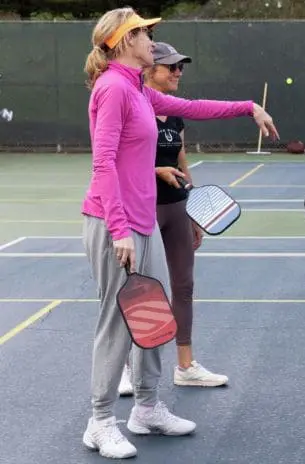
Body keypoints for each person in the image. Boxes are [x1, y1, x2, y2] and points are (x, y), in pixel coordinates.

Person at [81, 7, 278, 459]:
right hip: (115, 222)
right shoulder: (112, 88)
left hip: (142, 219)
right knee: (118, 321)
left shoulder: (137, 90)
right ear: (124, 42)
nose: (153, 39)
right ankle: (100, 420)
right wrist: (119, 230)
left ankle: (146, 408)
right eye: (145, 33)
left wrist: (248, 107)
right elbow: (103, 163)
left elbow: (191, 108)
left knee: (151, 314)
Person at [117, 42, 228, 398]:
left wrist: (195, 210)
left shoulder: (175, 115)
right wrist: (154, 172)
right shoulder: (133, 105)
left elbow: (182, 161)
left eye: (181, 67)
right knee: (138, 290)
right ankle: (124, 367)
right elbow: (118, 163)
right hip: (142, 209)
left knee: (183, 286)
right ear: (151, 69)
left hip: (178, 207)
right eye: (172, 67)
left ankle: (186, 366)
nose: (179, 73)